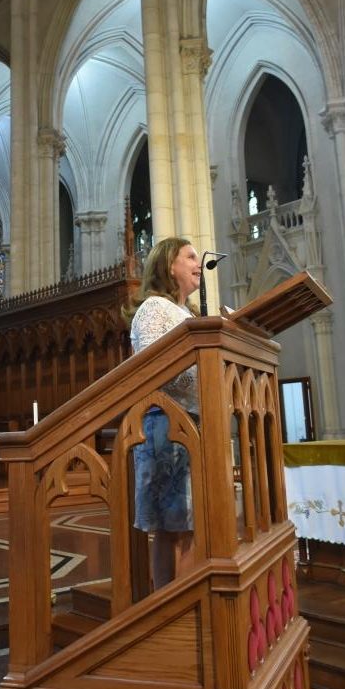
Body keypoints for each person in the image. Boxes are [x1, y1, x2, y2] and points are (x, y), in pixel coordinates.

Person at [123, 236, 202, 590]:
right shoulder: (155, 309)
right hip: (167, 426)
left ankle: (183, 605)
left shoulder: (189, 314)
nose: (198, 263)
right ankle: (175, 611)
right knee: (175, 528)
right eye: (190, 257)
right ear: (169, 265)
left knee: (189, 526)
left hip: (192, 424)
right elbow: (159, 368)